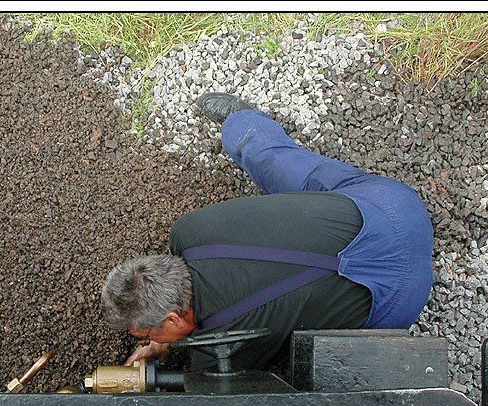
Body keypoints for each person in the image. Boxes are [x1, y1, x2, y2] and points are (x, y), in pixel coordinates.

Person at [101, 92, 434, 372]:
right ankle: (242, 123)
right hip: (394, 208)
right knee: (278, 164)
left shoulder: (222, 349)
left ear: (174, 320)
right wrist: (163, 337)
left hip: (401, 297)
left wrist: (170, 346)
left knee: (316, 370)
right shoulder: (188, 231)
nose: (147, 340)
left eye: (146, 335)